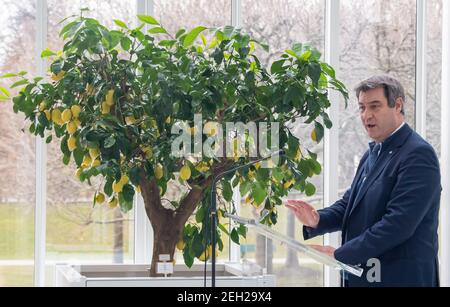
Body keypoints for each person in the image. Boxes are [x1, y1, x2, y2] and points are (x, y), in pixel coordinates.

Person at [286, 75, 441, 287]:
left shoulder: (418, 154)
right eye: (361, 107)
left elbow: (398, 224)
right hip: (365, 278)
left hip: (399, 279)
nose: (366, 115)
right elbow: (351, 204)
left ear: (397, 105)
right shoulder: (373, 153)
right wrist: (317, 220)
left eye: (375, 106)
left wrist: (342, 254)